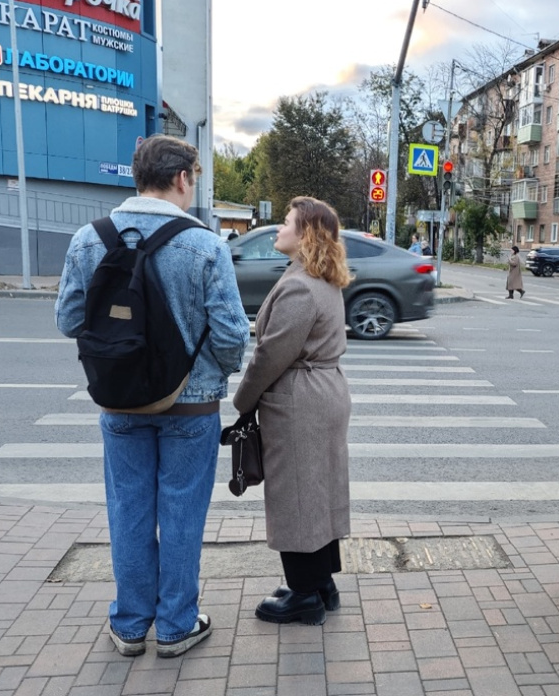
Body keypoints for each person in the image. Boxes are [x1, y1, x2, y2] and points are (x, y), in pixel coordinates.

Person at [55, 135, 249, 658]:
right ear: (183, 177)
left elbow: (69, 319)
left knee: (128, 510)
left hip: (118, 402)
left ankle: (130, 623)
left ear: (137, 177)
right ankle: (176, 626)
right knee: (183, 513)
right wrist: (211, 374)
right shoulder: (206, 244)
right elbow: (232, 334)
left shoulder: (87, 240)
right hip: (190, 405)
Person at [234, 196, 353, 626]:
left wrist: (242, 402)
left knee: (297, 495)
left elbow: (270, 356)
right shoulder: (319, 277)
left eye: (286, 222)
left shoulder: (301, 285)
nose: (278, 228)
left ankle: (304, 596)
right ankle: (321, 583)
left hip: (301, 401)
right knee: (317, 490)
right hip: (322, 394)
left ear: (305, 233)